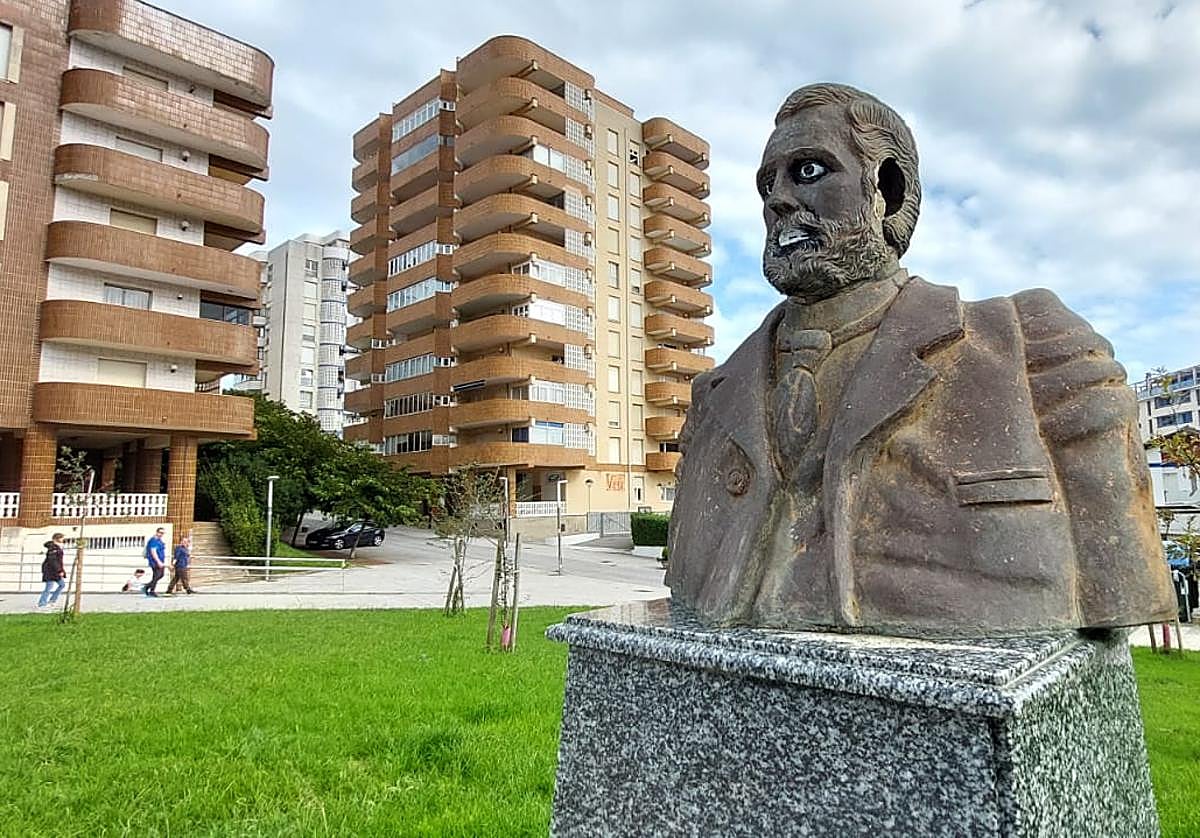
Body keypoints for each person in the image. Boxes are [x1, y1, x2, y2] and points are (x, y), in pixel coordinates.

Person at [666, 82, 1176, 635]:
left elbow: (1116, 578)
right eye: (769, 183)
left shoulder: (1027, 346)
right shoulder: (716, 395)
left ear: (889, 187)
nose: (778, 199)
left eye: (809, 171)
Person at [37, 533, 66, 608]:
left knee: (62, 585)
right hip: (50, 571)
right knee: (49, 587)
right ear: (57, 538)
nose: (63, 539)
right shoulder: (53, 548)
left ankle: (52, 600)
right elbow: (53, 561)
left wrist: (61, 570)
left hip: (55, 571)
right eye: (61, 538)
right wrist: (59, 571)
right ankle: (42, 603)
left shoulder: (57, 547)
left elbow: (59, 561)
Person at [143, 527, 167, 597]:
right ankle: (150, 589)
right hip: (155, 561)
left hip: (160, 560)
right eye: (160, 532)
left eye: (162, 533)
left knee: (159, 575)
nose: (161, 534)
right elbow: (153, 552)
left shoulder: (159, 540)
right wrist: (158, 561)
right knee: (157, 575)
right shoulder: (153, 540)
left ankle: (148, 588)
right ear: (157, 532)